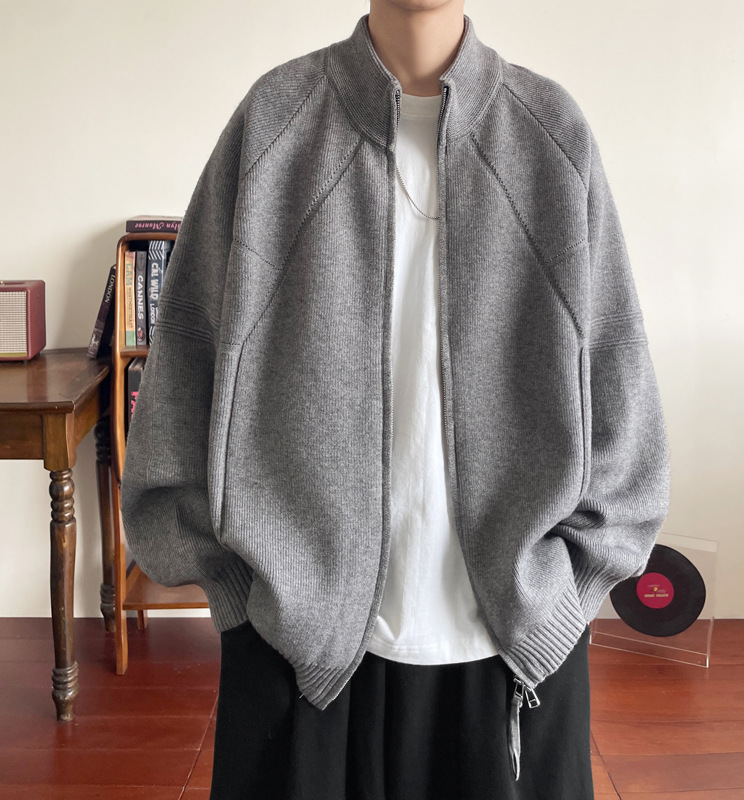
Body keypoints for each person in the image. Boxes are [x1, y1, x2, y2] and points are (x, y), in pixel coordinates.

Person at [120, 0, 671, 797]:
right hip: (297, 651)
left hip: (514, 654)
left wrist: (566, 600)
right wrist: (237, 595)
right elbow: (185, 367)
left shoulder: (551, 134)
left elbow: (620, 390)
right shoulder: (275, 122)